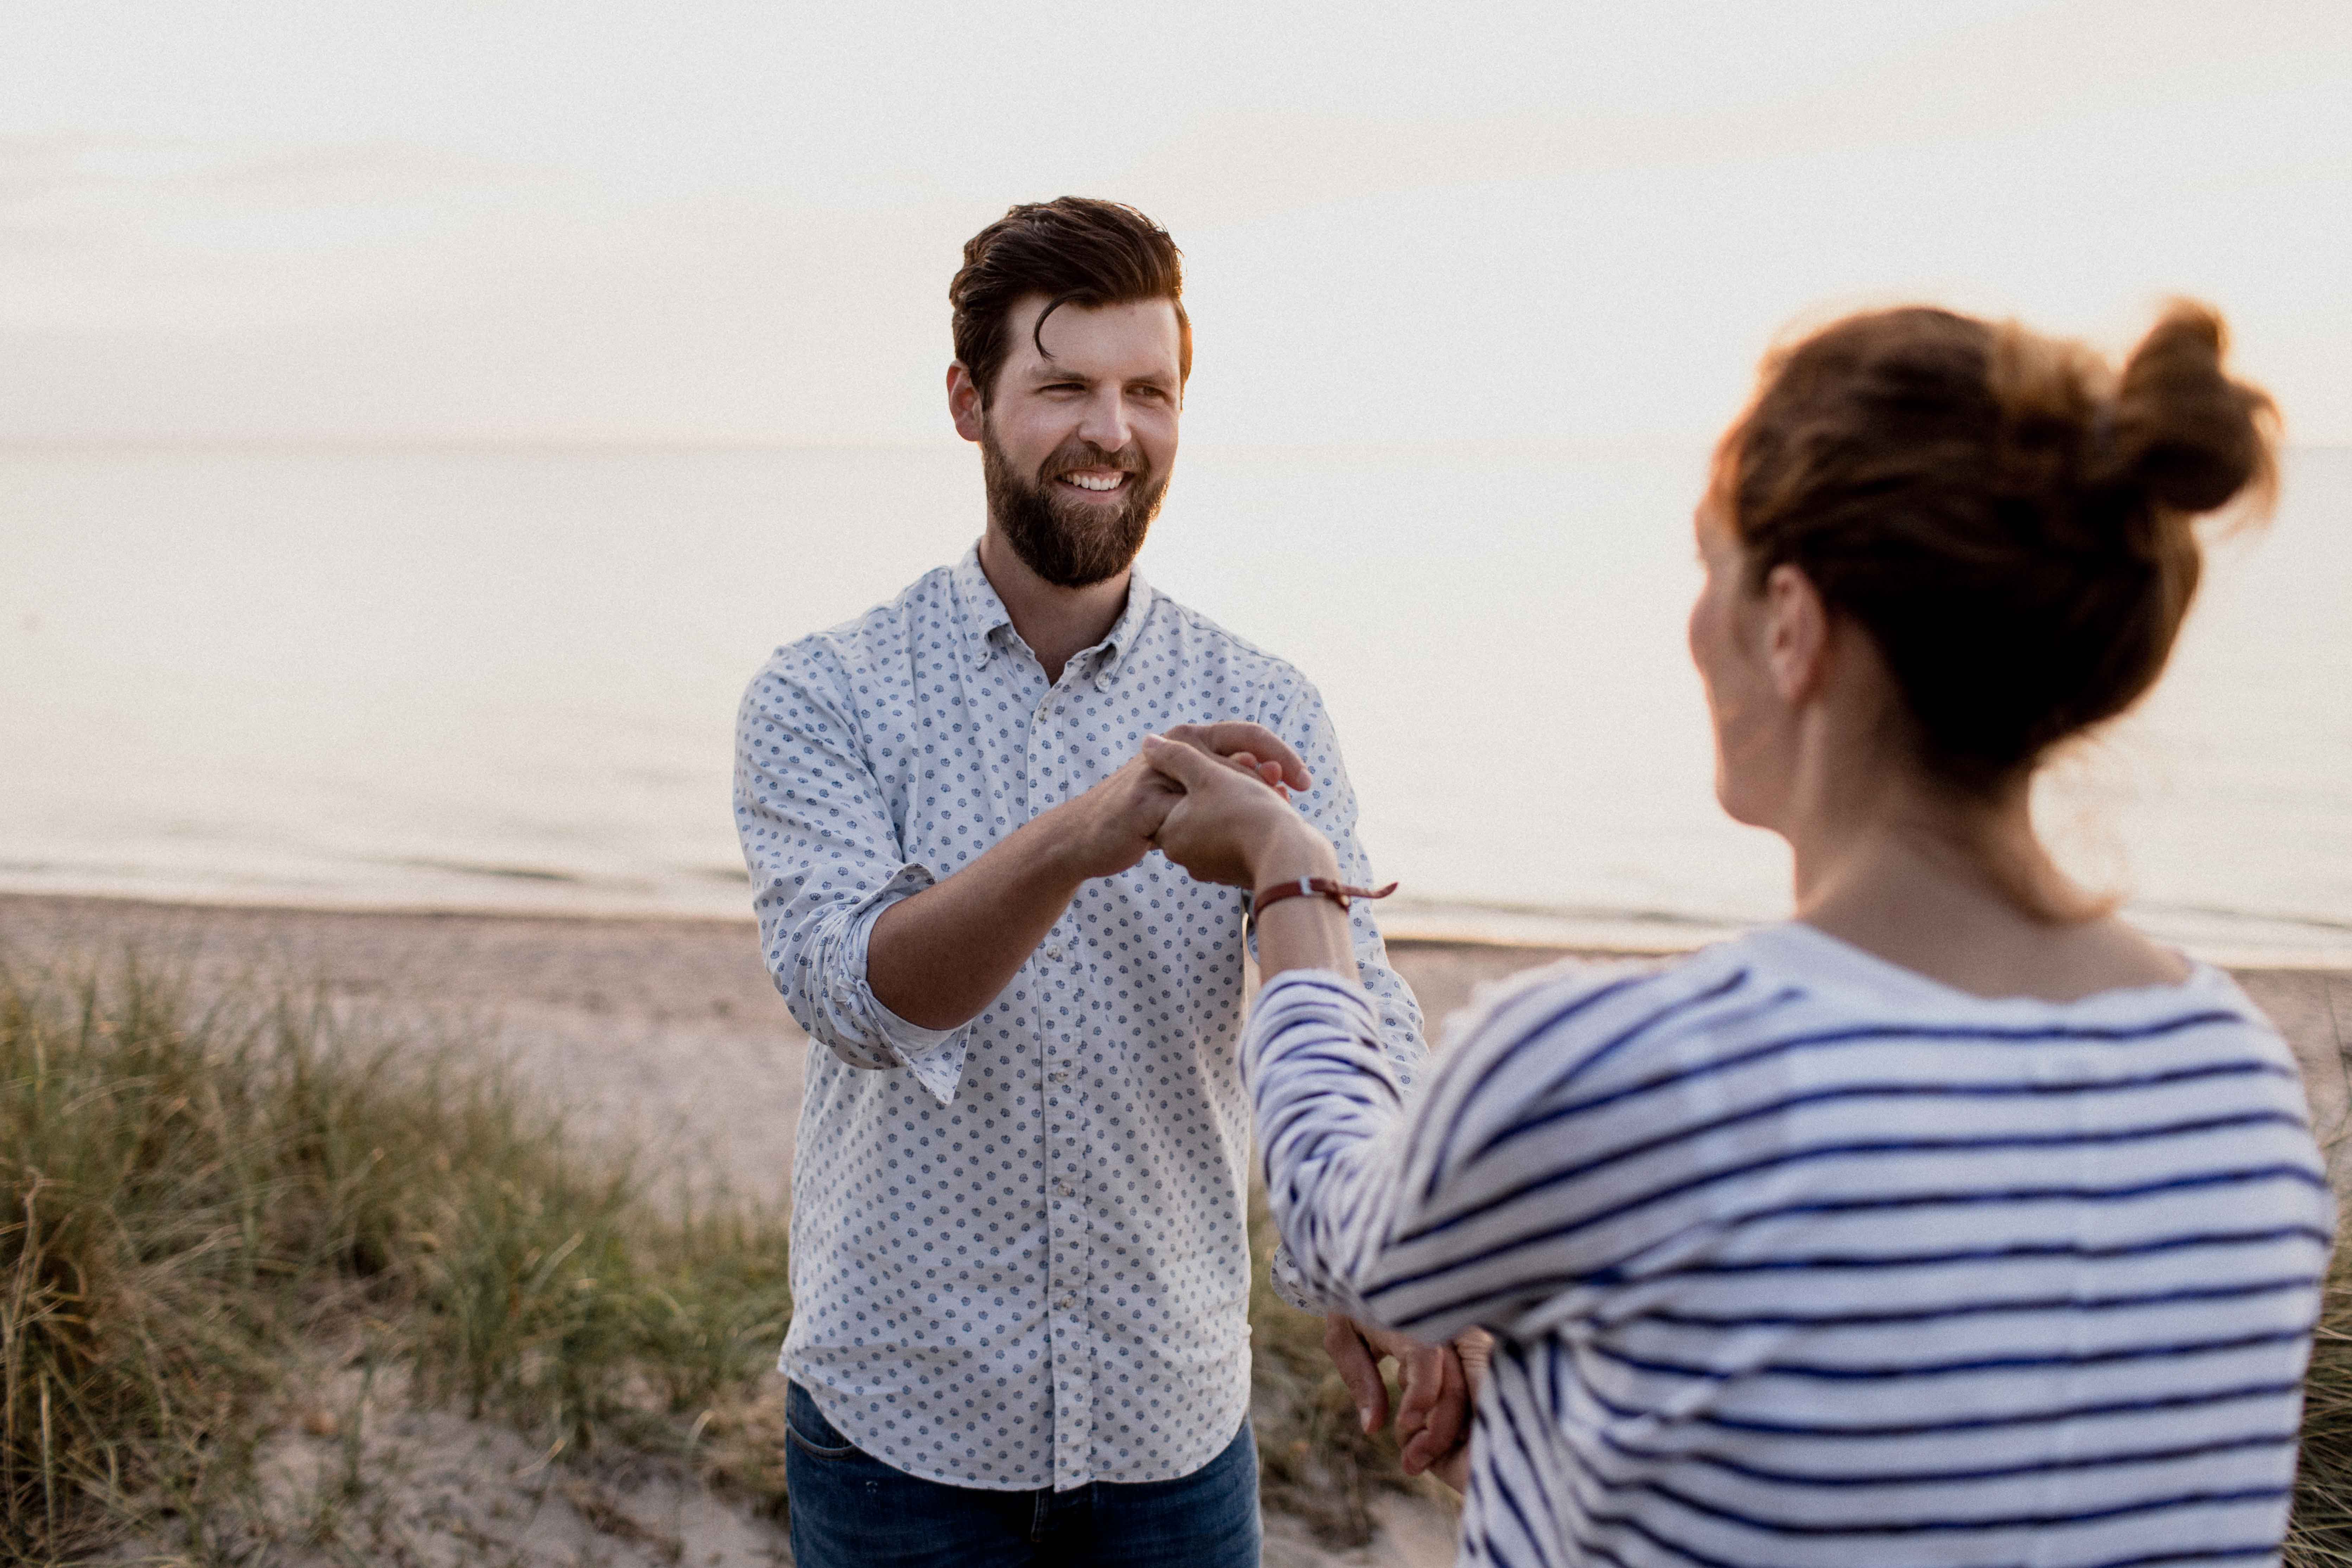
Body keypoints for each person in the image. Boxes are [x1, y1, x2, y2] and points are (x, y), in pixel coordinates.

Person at [1141, 301, 2329, 1567]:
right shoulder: (2237, 1088)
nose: (1693, 622)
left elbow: (1334, 1230)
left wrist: (1292, 874)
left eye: (1710, 566)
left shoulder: (1635, 1071)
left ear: (1792, 624)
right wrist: (1569, 1454)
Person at [733, 196, 1470, 1567]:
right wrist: (1087, 830)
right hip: (904, 1426)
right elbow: (862, 996)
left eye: (1151, 391)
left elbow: (1358, 993)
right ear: (968, 401)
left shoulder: (1264, 697)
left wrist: (1401, 1257)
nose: (1112, 431)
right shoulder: (824, 693)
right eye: (1062, 385)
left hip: (1172, 1432)